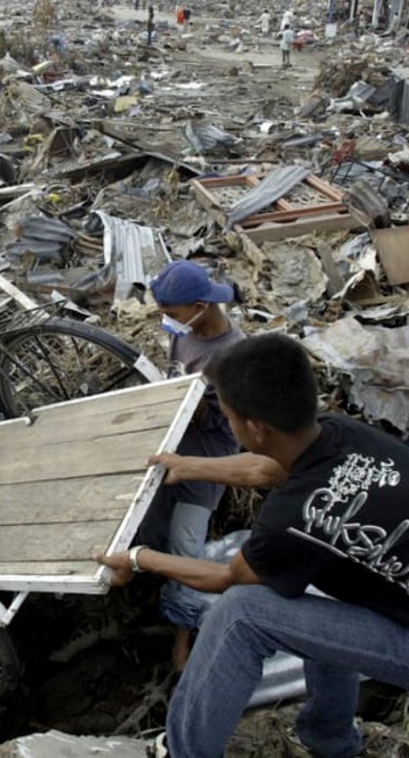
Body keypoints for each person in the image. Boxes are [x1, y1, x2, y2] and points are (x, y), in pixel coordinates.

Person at [98, 334, 409, 758]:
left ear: (255, 427)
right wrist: (186, 466)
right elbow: (268, 468)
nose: (229, 425)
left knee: (242, 613)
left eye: (229, 417)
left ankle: (183, 751)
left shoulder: (293, 518)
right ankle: (328, 740)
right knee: (322, 583)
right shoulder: (335, 432)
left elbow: (226, 579)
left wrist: (139, 558)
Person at [136, 261, 254, 670]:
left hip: (205, 462)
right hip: (172, 446)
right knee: (151, 528)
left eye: (171, 313)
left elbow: (226, 423)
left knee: (187, 548)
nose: (167, 321)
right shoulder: (185, 336)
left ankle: (182, 640)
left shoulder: (234, 355)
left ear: (201, 305)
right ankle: (157, 595)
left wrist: (194, 406)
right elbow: (174, 377)